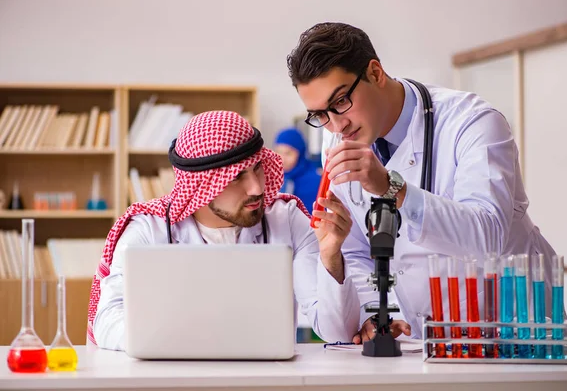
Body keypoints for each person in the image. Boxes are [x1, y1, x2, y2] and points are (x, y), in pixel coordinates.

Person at [286, 22, 559, 343]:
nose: (336, 124)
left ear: (375, 73)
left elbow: (489, 239)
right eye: (320, 115)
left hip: (513, 326)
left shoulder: (472, 122)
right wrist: (374, 315)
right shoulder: (337, 141)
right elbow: (358, 251)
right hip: (425, 338)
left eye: (342, 100)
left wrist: (391, 188)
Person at [87, 110, 384, 351]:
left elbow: (338, 332)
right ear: (203, 185)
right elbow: (108, 322)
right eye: (236, 178)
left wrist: (331, 255)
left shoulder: (287, 218)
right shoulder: (148, 231)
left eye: (257, 169)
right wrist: (188, 339)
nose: (257, 188)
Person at [274, 127, 321, 210]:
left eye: (288, 153)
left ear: (300, 153)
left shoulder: (316, 181)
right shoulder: (273, 180)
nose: (282, 159)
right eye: (279, 152)